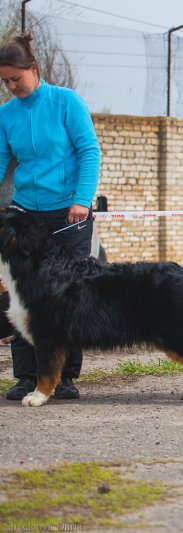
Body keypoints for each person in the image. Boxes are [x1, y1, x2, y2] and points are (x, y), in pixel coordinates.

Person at [0, 34, 101, 400]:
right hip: (25, 216)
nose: (12, 86)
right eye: (5, 82)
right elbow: (1, 159)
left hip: (69, 214)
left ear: (34, 69)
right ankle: (27, 376)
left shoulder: (66, 102)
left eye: (16, 79)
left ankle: (65, 377)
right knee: (24, 296)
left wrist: (82, 199)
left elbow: (89, 151)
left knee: (69, 297)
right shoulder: (6, 113)